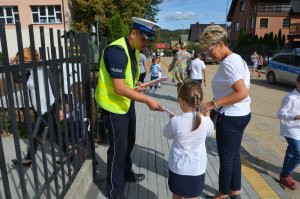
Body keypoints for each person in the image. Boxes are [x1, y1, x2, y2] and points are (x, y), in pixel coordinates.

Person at [94, 17, 164, 199]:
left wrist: (136, 84)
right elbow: (118, 88)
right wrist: (147, 100)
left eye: (149, 40)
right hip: (114, 107)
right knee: (117, 150)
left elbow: (125, 82)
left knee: (129, 142)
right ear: (133, 33)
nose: (146, 43)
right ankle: (114, 191)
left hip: (125, 104)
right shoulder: (117, 51)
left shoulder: (132, 49)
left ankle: (126, 173)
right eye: (144, 39)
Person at [200, 25, 251, 199]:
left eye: (209, 50)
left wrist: (212, 103)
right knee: (234, 154)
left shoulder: (229, 63)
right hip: (241, 114)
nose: (209, 54)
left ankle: (222, 193)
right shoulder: (237, 58)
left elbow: (242, 92)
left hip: (231, 116)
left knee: (227, 157)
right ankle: (234, 191)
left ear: (220, 44)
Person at [10, 47, 66, 167]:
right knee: (40, 134)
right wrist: (13, 65)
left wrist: (60, 108)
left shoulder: (42, 68)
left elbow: (55, 88)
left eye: (22, 60)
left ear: (29, 59)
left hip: (50, 108)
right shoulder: (30, 72)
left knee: (52, 135)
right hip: (39, 109)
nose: (20, 62)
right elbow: (18, 80)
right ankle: (29, 159)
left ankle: (29, 159)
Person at [163, 80, 214, 199]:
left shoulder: (176, 121)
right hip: (197, 168)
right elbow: (211, 132)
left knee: (176, 194)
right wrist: (207, 115)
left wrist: (172, 120)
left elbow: (166, 134)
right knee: (192, 196)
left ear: (181, 101)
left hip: (178, 168)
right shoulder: (205, 122)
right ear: (200, 101)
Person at [277, 74, 300, 190]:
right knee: (298, 154)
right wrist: (295, 117)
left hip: (299, 129)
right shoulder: (290, 97)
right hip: (290, 129)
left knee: (291, 152)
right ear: (297, 82)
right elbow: (280, 114)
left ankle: (283, 176)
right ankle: (286, 174)